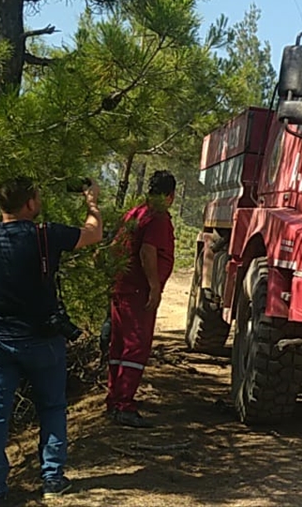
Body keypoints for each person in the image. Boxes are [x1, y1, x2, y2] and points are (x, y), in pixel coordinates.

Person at [0, 177, 103, 506]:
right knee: (52, 407)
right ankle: (52, 480)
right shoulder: (46, 234)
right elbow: (94, 233)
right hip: (42, 340)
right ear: (29, 204)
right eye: (38, 196)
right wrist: (91, 202)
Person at [106, 170, 176, 427]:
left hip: (121, 288)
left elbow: (115, 246)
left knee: (119, 345)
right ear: (171, 195)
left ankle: (114, 399)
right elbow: (148, 253)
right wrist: (154, 287)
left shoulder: (135, 213)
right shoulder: (157, 218)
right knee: (135, 346)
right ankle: (124, 404)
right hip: (137, 291)